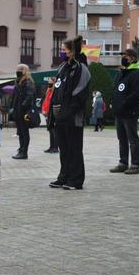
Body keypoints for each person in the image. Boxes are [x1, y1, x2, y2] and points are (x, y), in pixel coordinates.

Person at [48, 36, 91, 190]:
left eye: (64, 50)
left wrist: (68, 111)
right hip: (59, 116)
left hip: (73, 117)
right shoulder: (62, 67)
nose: (61, 52)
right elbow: (57, 90)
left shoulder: (81, 69)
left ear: (72, 52)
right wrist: (53, 113)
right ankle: (64, 176)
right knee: (64, 149)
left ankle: (76, 180)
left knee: (74, 149)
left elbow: (80, 93)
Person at [110, 49, 139, 175]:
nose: (123, 58)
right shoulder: (121, 73)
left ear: (133, 58)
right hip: (119, 112)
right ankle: (123, 162)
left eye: (125, 56)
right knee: (121, 138)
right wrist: (113, 101)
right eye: (122, 56)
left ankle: (135, 164)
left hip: (129, 112)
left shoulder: (136, 73)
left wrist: (124, 103)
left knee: (132, 139)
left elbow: (136, 93)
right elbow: (116, 89)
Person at [10, 64, 35, 159]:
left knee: (24, 132)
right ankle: (21, 149)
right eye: (17, 69)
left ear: (25, 70)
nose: (17, 71)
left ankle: (24, 152)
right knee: (20, 132)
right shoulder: (19, 81)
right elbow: (15, 97)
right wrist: (12, 107)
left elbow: (29, 96)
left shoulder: (27, 82)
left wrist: (22, 106)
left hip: (24, 112)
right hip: (18, 111)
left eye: (20, 69)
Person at [42, 77, 58, 153]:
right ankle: (51, 147)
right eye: (48, 82)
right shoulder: (48, 91)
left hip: (52, 114)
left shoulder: (55, 92)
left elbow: (52, 103)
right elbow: (45, 102)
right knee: (50, 131)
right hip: (47, 113)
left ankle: (55, 148)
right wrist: (43, 110)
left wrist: (47, 111)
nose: (49, 83)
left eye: (50, 82)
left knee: (53, 130)